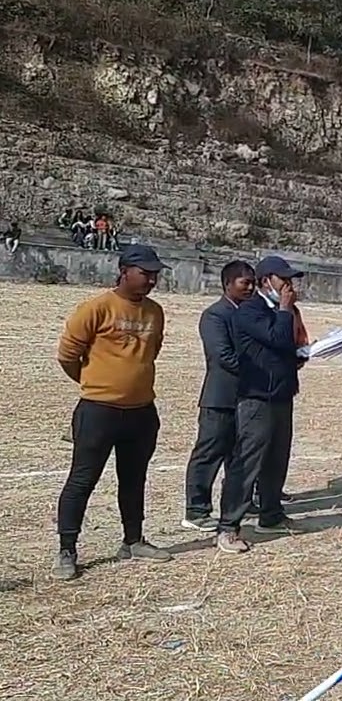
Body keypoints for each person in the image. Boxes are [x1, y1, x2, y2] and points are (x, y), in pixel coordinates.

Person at [52, 244, 170, 580]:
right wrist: (94, 384)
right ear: (124, 271)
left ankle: (133, 541)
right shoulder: (96, 308)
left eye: (155, 274)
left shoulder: (155, 312)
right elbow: (67, 355)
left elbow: (151, 353)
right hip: (98, 411)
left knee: (134, 480)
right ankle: (67, 550)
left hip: (141, 412)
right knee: (82, 480)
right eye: (145, 273)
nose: (151, 280)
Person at [217, 256, 307, 551]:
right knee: (247, 461)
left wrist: (303, 354)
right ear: (267, 280)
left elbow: (285, 347)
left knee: (277, 458)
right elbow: (278, 338)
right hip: (257, 397)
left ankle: (271, 513)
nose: (290, 286)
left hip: (281, 394)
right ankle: (228, 526)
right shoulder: (250, 311)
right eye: (284, 280)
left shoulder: (282, 311)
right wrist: (284, 309)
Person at [182, 261, 256, 532]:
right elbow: (223, 356)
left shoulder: (250, 314)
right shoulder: (215, 315)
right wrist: (263, 370)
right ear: (227, 284)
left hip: (249, 398)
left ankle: (237, 502)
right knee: (209, 453)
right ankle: (197, 509)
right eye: (244, 282)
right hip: (220, 397)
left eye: (252, 282)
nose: (250, 287)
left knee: (242, 455)